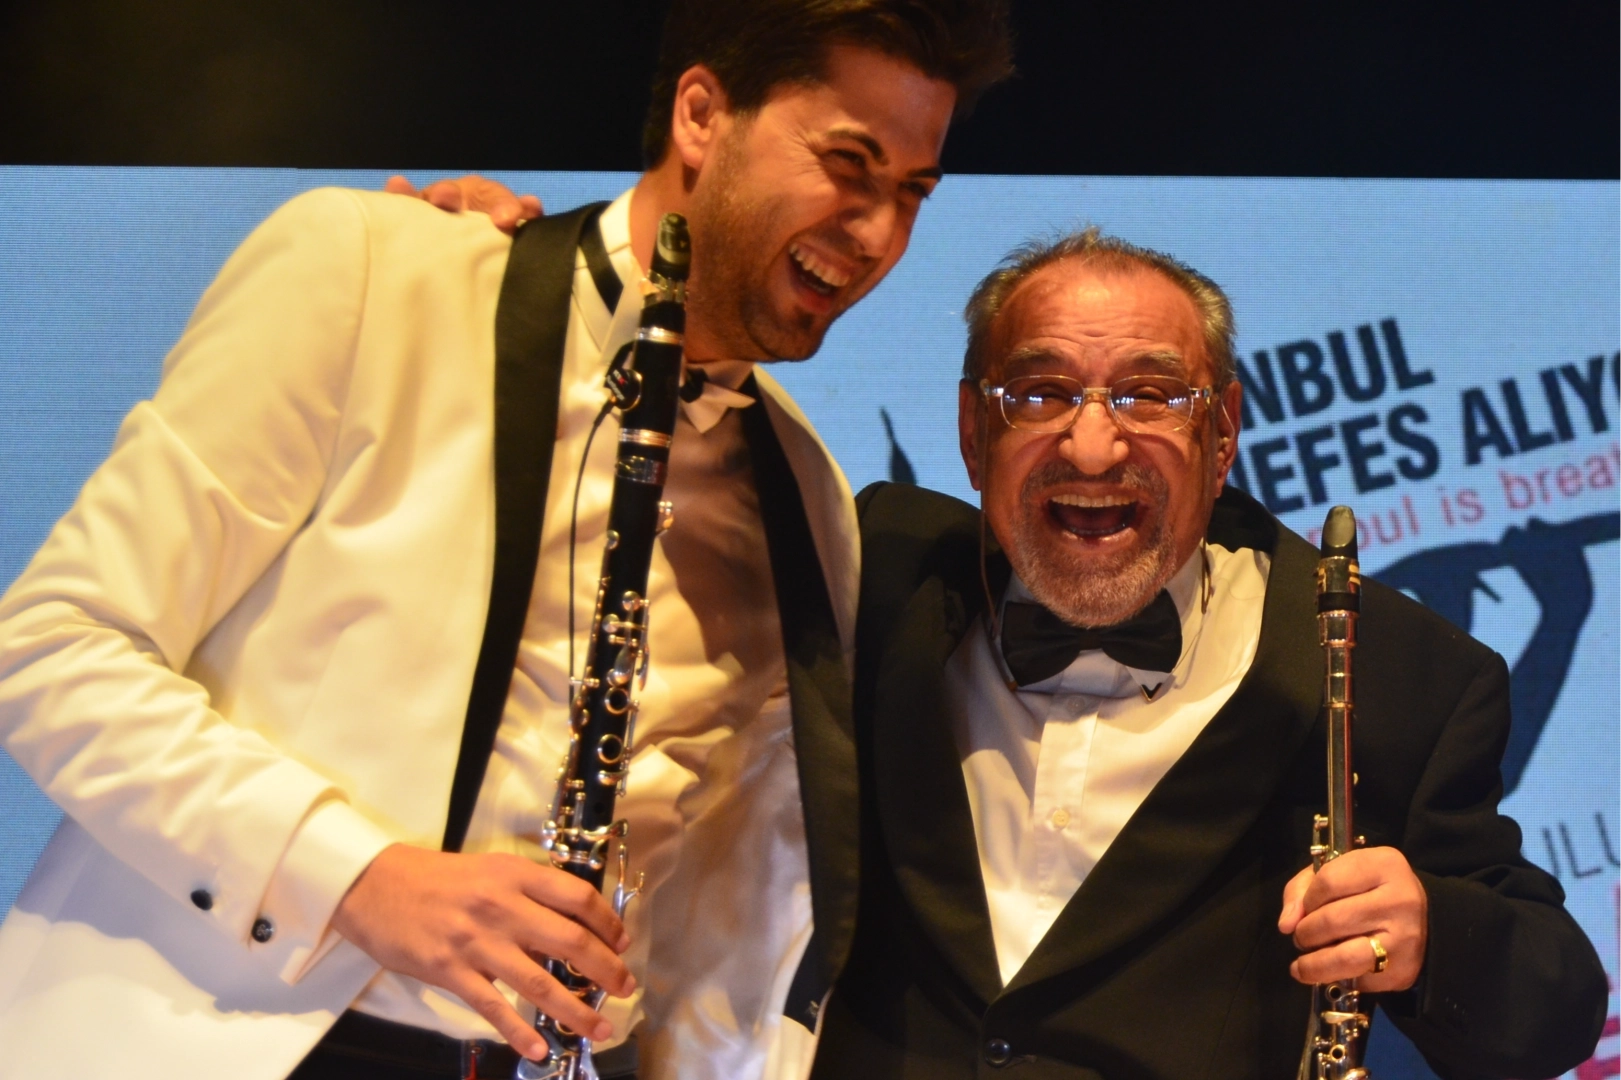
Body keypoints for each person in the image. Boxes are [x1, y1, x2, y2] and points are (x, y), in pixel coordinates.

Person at [0, 3, 1012, 1079]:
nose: (877, 235)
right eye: (848, 164)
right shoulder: (376, 274)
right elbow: (53, 649)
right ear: (701, 115)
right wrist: (357, 876)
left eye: (912, 192)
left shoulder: (805, 494)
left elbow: (721, 922)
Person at [807, 228, 1608, 1078]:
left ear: (1221, 433)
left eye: (1148, 396)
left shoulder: (1394, 673)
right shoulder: (865, 582)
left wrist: (1428, 936)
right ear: (974, 432)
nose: (1091, 447)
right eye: (1040, 395)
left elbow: (1550, 1009)